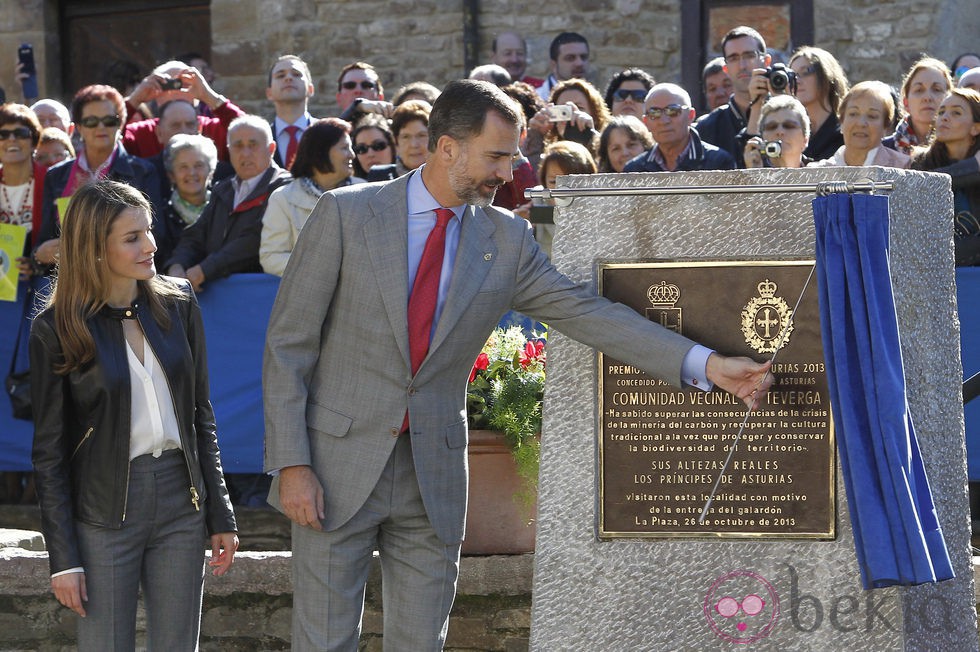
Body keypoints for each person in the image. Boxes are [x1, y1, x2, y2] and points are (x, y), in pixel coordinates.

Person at [263, 79, 772, 651]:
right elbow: (288, 348)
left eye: (515, 155)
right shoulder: (345, 215)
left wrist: (706, 364)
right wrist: (291, 464)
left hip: (433, 476)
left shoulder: (506, 238)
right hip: (333, 469)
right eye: (498, 155)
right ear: (448, 147)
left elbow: (587, 313)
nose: (510, 172)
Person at [29, 179, 238, 650]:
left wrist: (220, 513)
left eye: (148, 231)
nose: (151, 246)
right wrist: (63, 558)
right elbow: (49, 452)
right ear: (94, 248)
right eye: (132, 238)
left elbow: (200, 415)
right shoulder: (55, 327)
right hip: (103, 510)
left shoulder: (179, 302)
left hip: (181, 502)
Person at [33, 84, 161, 273]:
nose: (101, 127)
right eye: (92, 121)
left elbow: (157, 234)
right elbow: (45, 238)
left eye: (109, 120)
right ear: (79, 128)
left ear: (120, 124)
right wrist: (39, 254)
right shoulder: (57, 175)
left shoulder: (143, 171)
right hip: (71, 283)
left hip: (124, 280)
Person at [165, 115, 291, 291]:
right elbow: (196, 234)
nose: (245, 153)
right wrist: (177, 265)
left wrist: (204, 270)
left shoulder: (285, 189)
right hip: (218, 297)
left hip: (262, 296)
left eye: (253, 145)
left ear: (271, 149)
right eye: (238, 146)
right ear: (229, 151)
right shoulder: (223, 189)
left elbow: (254, 240)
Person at [261, 118, 362, 276]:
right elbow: (271, 257)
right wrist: (322, 270)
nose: (352, 155)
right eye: (344, 148)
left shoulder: (365, 190)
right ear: (321, 151)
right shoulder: (283, 199)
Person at [911, 88, 980, 266]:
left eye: (956, 112)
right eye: (941, 112)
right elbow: (922, 185)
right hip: (933, 275)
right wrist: (974, 167)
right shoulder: (921, 162)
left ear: (976, 128)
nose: (944, 117)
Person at [122, 63, 245, 161]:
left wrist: (209, 96)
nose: (175, 92)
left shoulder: (214, 129)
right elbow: (107, 132)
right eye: (167, 85)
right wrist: (134, 100)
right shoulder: (140, 134)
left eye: (183, 85)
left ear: (199, 128)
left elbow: (249, 132)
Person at [695, 26, 771, 167]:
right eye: (734, 58)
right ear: (726, 69)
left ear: (766, 61)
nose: (742, 65)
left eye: (749, 55)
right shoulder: (707, 128)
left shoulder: (787, 115)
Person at [624, 83, 735, 172]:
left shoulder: (719, 163)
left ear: (690, 116)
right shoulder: (634, 170)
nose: (664, 121)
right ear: (646, 122)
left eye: (673, 111)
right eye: (654, 113)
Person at [809, 81, 910, 169]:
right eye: (853, 114)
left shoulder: (904, 167)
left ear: (885, 126)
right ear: (841, 121)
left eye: (872, 116)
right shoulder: (815, 172)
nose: (861, 123)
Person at [155, 133, 219, 267]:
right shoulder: (160, 217)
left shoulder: (224, 208)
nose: (191, 173)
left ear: (211, 171)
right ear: (171, 175)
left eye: (199, 165)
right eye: (183, 167)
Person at [0, 103, 46, 280]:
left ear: (34, 141)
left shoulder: (54, 180)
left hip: (43, 286)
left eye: (20, 134)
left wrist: (37, 264)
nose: (11, 139)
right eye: (3, 134)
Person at [787, 46, 849, 161]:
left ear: (826, 75)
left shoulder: (846, 130)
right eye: (792, 76)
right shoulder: (789, 129)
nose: (797, 81)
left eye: (805, 72)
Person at [883, 56, 952, 155]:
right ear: (906, 102)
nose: (927, 97)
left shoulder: (961, 148)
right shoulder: (883, 150)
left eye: (937, 89)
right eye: (919, 90)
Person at [267, 55, 317, 170]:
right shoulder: (262, 140)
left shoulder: (328, 135)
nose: (288, 78)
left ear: (310, 89)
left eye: (296, 74)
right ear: (269, 93)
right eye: (280, 75)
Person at [365, 100, 430, 181]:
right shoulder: (379, 177)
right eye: (405, 137)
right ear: (396, 142)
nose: (414, 144)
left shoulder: (448, 178)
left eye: (421, 135)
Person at [743, 95, 811, 168]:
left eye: (789, 126)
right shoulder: (752, 172)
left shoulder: (820, 174)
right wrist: (753, 174)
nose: (780, 131)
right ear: (762, 138)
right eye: (771, 127)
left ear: (805, 140)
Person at [537, 32, 591, 101]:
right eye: (570, 58)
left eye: (583, 57)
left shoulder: (595, 99)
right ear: (554, 65)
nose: (579, 63)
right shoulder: (537, 101)